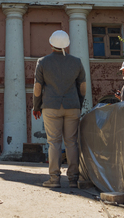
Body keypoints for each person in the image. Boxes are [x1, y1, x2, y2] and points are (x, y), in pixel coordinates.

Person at [32, 30, 86, 189]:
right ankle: (73, 179)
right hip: (72, 106)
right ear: (67, 44)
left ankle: (54, 179)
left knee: (54, 143)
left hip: (50, 106)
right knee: (72, 143)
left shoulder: (42, 62)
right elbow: (82, 87)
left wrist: (36, 106)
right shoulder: (77, 62)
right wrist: (78, 104)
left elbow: (37, 88)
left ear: (51, 44)